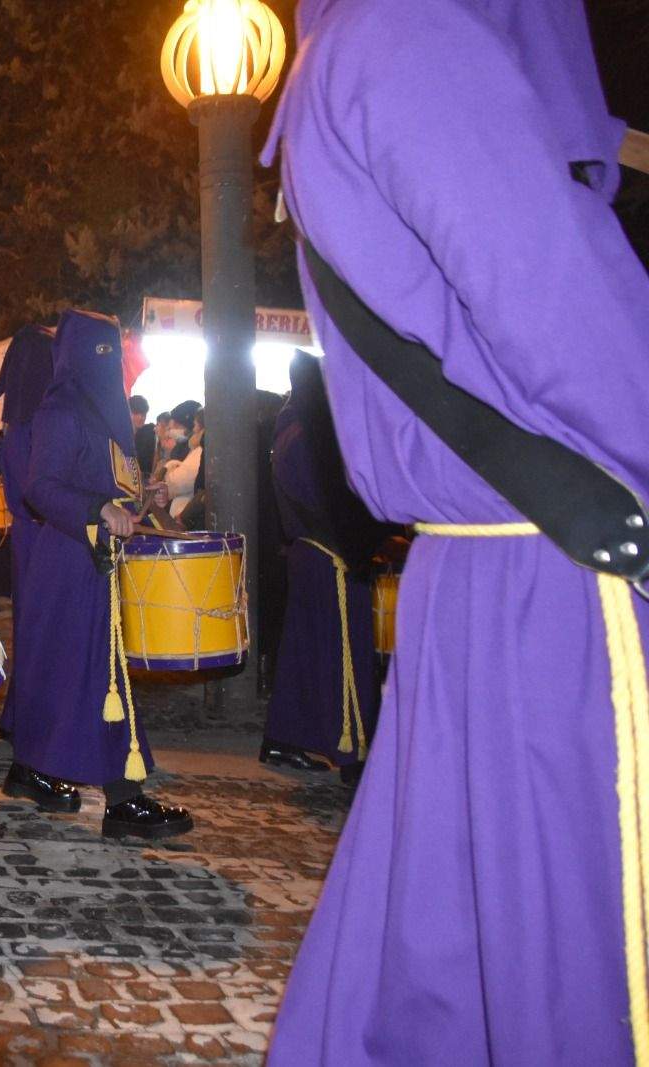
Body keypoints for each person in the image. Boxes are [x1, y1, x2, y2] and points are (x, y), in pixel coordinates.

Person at [262, 2, 649, 1062]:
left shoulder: (368, 42)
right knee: (575, 980)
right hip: (562, 581)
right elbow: (560, 304)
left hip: (496, 571)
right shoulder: (412, 31)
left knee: (451, 968)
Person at [4, 309, 192, 840]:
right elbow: (41, 487)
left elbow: (107, 484)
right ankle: (123, 797)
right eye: (99, 352)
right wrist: (96, 509)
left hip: (96, 563)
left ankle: (29, 769)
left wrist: (143, 497)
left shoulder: (109, 415)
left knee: (65, 673)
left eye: (114, 352)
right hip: (70, 561)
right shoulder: (62, 410)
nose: (108, 363)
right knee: (99, 677)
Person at [262, 353, 386, 779]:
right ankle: (351, 750)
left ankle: (285, 737)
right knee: (341, 655)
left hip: (311, 553)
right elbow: (334, 502)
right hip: (331, 557)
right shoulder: (309, 437)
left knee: (305, 652)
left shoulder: (291, 429)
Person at [0, 324, 55, 744]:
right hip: (43, 536)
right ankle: (32, 721)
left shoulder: (14, 424)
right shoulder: (36, 427)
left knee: (31, 631)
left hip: (28, 536)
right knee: (42, 632)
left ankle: (19, 717)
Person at [129, 395, 157, 481]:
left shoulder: (149, 432)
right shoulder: (120, 435)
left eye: (143, 414)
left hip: (144, 480)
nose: (141, 417)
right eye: (136, 413)